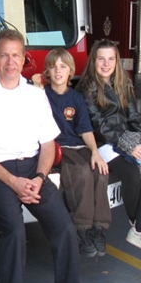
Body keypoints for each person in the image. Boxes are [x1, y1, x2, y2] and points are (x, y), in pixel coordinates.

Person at [0, 29, 82, 283]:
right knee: (14, 231)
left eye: (15, 56)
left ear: (24, 59)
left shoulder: (36, 94)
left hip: (34, 170)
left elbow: (48, 143)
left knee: (65, 229)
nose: (10, 62)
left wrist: (38, 178)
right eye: (4, 56)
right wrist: (14, 182)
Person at [75, 39, 141, 258]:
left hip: (130, 140)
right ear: (93, 61)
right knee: (133, 174)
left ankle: (139, 228)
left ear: (116, 61)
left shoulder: (124, 84)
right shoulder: (86, 88)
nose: (106, 64)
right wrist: (127, 146)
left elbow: (134, 116)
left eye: (111, 59)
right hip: (106, 144)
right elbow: (99, 125)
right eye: (101, 59)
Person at [32, 48, 111, 258]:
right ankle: (82, 228)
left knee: (100, 172)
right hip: (57, 148)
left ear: (70, 71)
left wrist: (95, 152)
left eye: (63, 66)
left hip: (78, 145)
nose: (58, 71)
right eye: (53, 66)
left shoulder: (76, 98)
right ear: (47, 71)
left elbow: (85, 129)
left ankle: (99, 228)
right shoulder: (41, 94)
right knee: (81, 173)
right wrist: (36, 81)